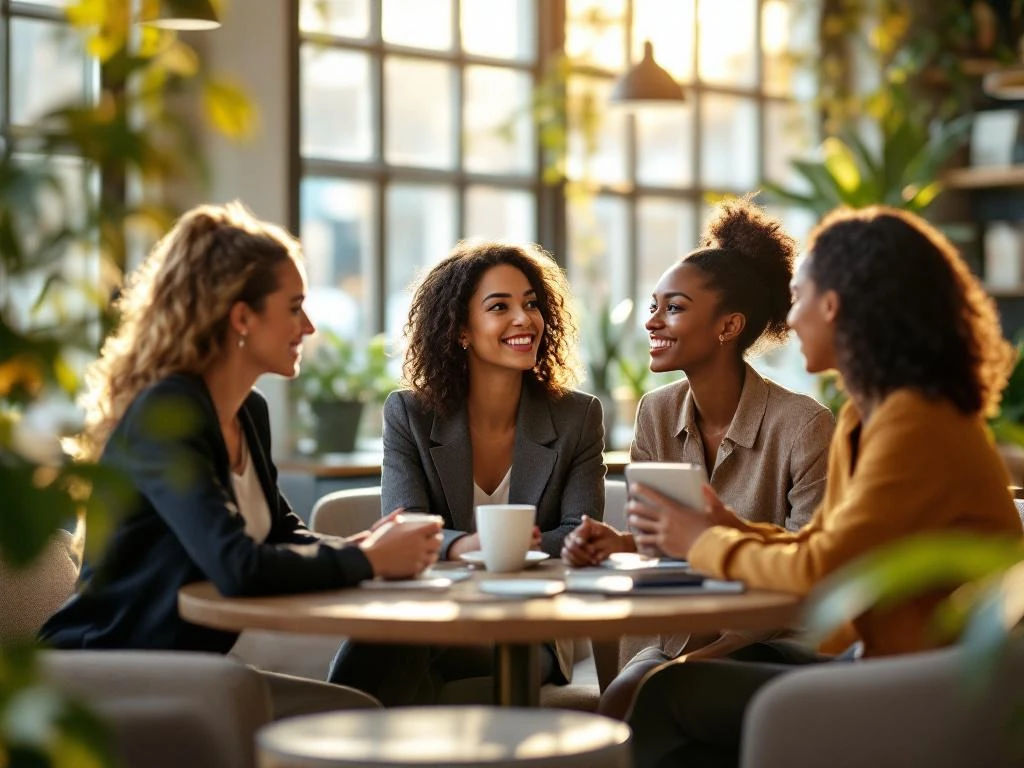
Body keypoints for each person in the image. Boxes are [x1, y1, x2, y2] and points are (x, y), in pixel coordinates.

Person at [625, 206, 1024, 768]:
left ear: (832, 306)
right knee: (670, 690)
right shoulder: (871, 416)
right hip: (886, 661)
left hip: (932, 683)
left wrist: (704, 543)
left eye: (800, 294)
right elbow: (830, 545)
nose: (789, 313)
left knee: (669, 697)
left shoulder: (915, 423)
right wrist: (730, 529)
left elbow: (825, 573)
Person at [40, 202, 442, 717]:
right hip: (110, 676)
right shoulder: (168, 413)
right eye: (295, 307)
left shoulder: (246, 411)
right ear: (242, 317)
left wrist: (366, 546)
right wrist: (366, 561)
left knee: (381, 673)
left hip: (187, 670)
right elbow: (237, 567)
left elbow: (281, 533)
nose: (310, 327)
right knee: (359, 715)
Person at [561, 196, 835, 716]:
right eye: (653, 306)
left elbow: (810, 571)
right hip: (676, 636)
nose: (652, 322)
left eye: (674, 308)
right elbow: (661, 546)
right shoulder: (656, 414)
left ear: (728, 327)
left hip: (776, 640)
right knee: (626, 695)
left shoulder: (805, 427)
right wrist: (616, 542)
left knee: (634, 696)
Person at [328, 240, 606, 705]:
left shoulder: (578, 417)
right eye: (500, 306)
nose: (524, 319)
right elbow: (405, 528)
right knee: (395, 646)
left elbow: (579, 534)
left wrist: (498, 547)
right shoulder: (410, 415)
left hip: (529, 627)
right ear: (461, 329)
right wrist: (468, 545)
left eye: (531, 304)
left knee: (392, 652)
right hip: (432, 616)